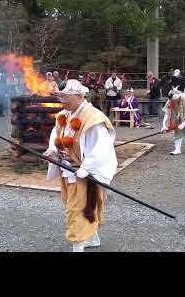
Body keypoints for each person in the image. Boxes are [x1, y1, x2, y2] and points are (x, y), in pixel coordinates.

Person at [43, 79, 117, 252]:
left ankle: (78, 246)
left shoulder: (93, 118)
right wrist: (53, 149)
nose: (62, 101)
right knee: (83, 206)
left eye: (65, 97)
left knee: (76, 210)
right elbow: (57, 132)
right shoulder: (66, 113)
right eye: (60, 96)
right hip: (67, 169)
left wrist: (86, 168)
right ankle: (92, 238)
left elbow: (101, 148)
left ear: (78, 96)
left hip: (83, 172)